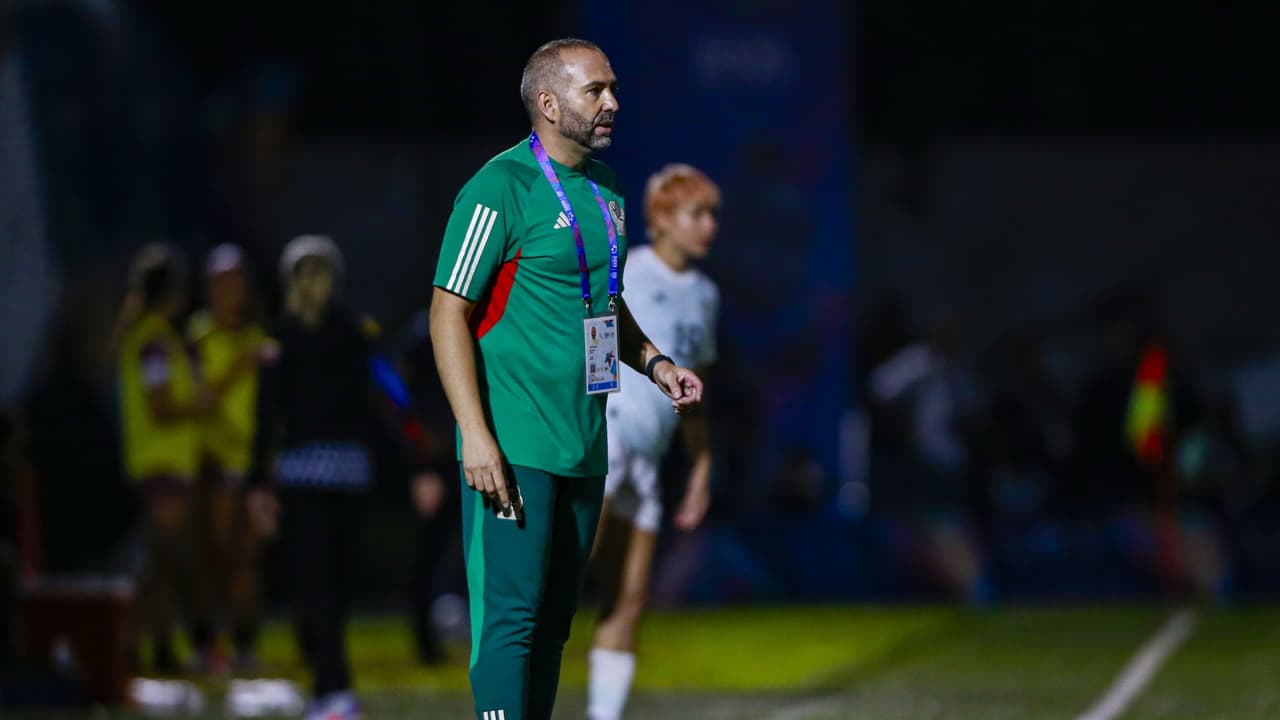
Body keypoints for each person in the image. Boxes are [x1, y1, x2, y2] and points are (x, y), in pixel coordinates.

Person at [429, 38, 704, 720]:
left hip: (585, 442)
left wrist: (656, 363)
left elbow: (604, 303)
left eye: (613, 89)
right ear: (549, 104)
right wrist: (475, 435)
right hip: (513, 443)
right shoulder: (500, 187)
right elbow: (446, 312)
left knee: (554, 624)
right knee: (511, 618)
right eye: (595, 91)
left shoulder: (607, 189)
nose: (612, 103)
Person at [250, 235, 428, 719]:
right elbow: (386, 403)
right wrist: (411, 463)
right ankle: (332, 689)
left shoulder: (300, 335)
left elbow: (268, 415)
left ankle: (331, 690)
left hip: (319, 474)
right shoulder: (337, 333)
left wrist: (257, 483)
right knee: (329, 585)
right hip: (335, 474)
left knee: (324, 586)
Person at [585, 163, 721, 720]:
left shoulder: (706, 295)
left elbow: (696, 386)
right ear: (661, 218)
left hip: (647, 458)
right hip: (609, 438)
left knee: (628, 599)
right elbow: (599, 336)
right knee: (562, 579)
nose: (709, 225)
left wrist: (700, 468)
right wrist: (588, 424)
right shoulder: (632, 271)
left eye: (712, 214)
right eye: (697, 213)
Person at [115, 243, 205, 673]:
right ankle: (134, 647)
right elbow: (160, 406)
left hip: (162, 464)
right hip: (160, 465)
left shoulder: (154, 336)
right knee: (162, 565)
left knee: (161, 564)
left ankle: (152, 648)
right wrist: (201, 403)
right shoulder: (154, 341)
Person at [186, 244, 274, 672]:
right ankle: (204, 642)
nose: (229, 291)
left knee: (248, 558)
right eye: (221, 283)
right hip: (213, 461)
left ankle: (244, 643)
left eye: (236, 282)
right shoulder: (196, 337)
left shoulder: (259, 338)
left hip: (253, 462)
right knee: (212, 555)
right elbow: (198, 398)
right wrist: (241, 366)